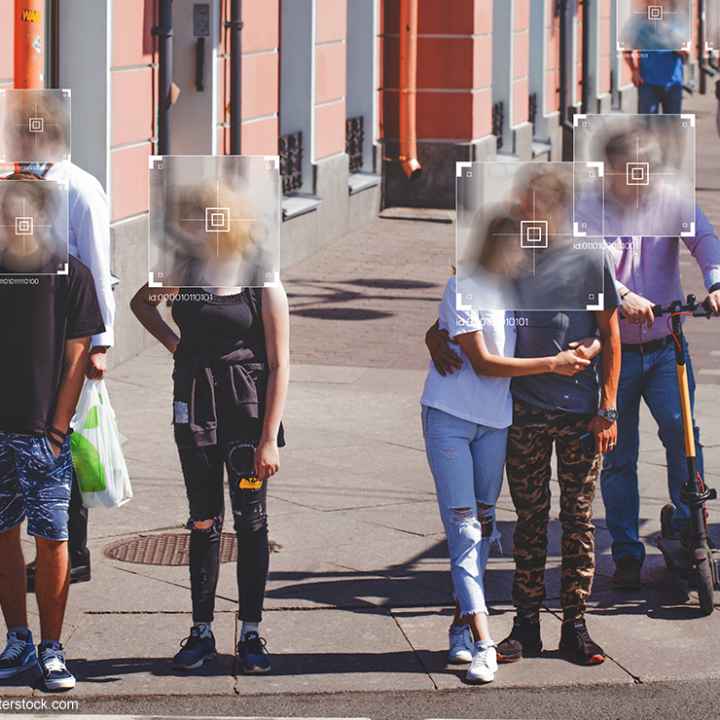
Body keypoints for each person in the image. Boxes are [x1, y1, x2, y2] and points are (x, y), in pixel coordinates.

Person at [421, 215, 595, 684]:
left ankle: (460, 624)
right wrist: (553, 364)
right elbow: (481, 361)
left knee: (486, 522)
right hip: (451, 418)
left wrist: (593, 344)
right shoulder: (466, 284)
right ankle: (483, 641)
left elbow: (603, 303)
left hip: (497, 422)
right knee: (464, 530)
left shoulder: (519, 288)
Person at [130, 266, 289, 674]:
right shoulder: (183, 268)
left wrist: (268, 438)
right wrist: (175, 345)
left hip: (245, 417)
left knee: (251, 520)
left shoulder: (260, 276)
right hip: (195, 409)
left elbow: (280, 362)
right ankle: (201, 632)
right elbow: (141, 303)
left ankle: (250, 632)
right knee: (203, 520)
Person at [0, 173, 105, 691]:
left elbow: (79, 353)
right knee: (2, 535)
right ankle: (17, 639)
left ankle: (52, 650)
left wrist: (58, 429)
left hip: (44, 432)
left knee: (53, 538)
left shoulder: (72, 273)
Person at [599, 211, 720, 589]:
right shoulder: (593, 200)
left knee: (682, 435)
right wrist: (620, 294)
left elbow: (702, 237)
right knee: (618, 453)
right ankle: (626, 553)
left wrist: (716, 282)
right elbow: (582, 254)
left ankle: (690, 529)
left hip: (666, 344)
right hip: (614, 349)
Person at [23, 157, 116, 588]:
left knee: (66, 441)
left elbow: (97, 264)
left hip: (72, 327)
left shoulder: (79, 186)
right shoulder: (25, 181)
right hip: (37, 328)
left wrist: (101, 342)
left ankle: (72, 552)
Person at [621, 0, 688, 114]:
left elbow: (686, 56)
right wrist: (634, 70)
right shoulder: (640, 25)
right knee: (647, 127)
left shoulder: (677, 24)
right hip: (648, 84)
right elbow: (627, 50)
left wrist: (678, 47)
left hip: (673, 84)